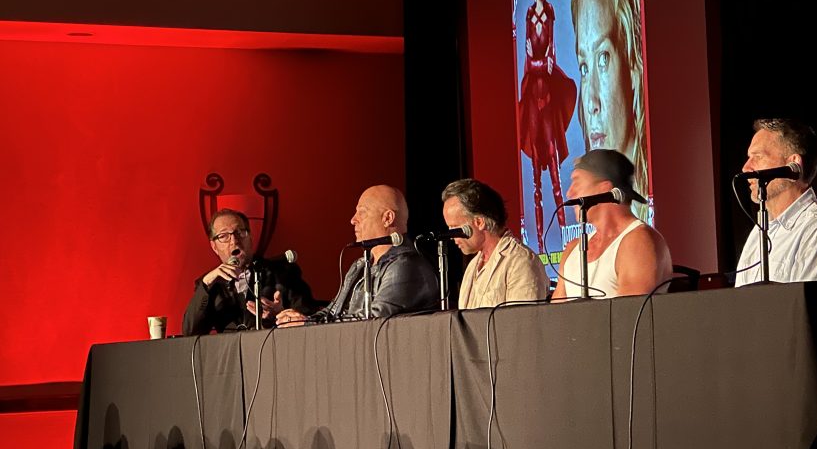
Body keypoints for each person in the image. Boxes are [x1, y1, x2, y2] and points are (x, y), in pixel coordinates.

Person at [570, 0, 649, 222]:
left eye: (603, 58)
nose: (591, 104)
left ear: (631, 64)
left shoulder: (641, 239)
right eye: (584, 67)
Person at [277, 185, 438, 323]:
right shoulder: (360, 265)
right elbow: (333, 312)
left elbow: (374, 319)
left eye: (362, 212)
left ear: (387, 218)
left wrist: (308, 325)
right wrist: (300, 320)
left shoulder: (406, 265)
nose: (353, 220)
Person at [734, 118, 817, 286]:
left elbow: (805, 307)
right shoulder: (760, 230)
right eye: (749, 157)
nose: (746, 168)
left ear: (793, 165)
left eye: (758, 157)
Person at [518, 0, 577, 248]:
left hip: (549, 101)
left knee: (554, 173)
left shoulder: (548, 11)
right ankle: (539, 244)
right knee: (536, 179)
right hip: (533, 102)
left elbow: (548, 58)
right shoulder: (529, 13)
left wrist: (539, 62)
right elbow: (531, 63)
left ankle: (566, 239)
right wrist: (539, 63)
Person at [551, 149, 672, 300]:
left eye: (577, 182)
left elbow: (630, 316)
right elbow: (555, 317)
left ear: (605, 188)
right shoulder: (572, 249)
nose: (569, 193)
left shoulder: (638, 242)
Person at [182, 209, 315, 335]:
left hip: (274, 351)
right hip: (231, 355)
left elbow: (308, 316)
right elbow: (190, 331)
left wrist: (281, 315)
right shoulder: (210, 284)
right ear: (214, 246)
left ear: (250, 237)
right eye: (223, 236)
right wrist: (206, 283)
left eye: (240, 232)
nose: (234, 241)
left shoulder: (283, 272)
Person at [441, 179, 549, 309]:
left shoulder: (521, 262)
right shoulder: (472, 267)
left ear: (479, 222)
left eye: (455, 228)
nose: (452, 237)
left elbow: (522, 325)